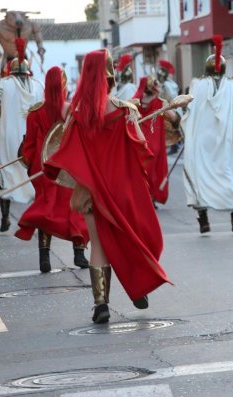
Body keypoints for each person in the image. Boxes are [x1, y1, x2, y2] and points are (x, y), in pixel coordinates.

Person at [44, 49, 171, 324]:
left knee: (99, 245)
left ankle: (100, 303)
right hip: (121, 192)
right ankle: (139, 288)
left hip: (90, 193)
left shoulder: (77, 116)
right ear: (110, 75)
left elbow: (67, 153)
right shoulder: (125, 110)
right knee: (132, 238)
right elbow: (141, 149)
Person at [15, 66, 90, 273]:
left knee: (46, 211)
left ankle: (44, 257)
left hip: (45, 170)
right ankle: (79, 253)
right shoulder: (72, 111)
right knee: (75, 209)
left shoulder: (35, 113)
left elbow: (28, 148)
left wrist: (31, 167)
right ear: (64, 85)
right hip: (68, 169)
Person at [181, 35, 233, 233]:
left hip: (202, 141)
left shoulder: (197, 85)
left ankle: (204, 220)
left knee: (200, 176)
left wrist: (185, 127)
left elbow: (189, 112)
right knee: (230, 177)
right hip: (225, 141)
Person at [0, 38, 44, 232]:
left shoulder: (5, 84)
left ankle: (5, 217)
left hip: (9, 138)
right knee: (32, 175)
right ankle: (36, 217)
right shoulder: (38, 86)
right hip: (31, 138)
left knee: (6, 175)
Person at [132, 76, 177, 206]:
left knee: (141, 171)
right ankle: (149, 196)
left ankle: (142, 196)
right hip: (154, 142)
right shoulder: (160, 103)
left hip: (139, 142)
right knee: (154, 170)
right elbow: (174, 118)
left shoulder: (135, 102)